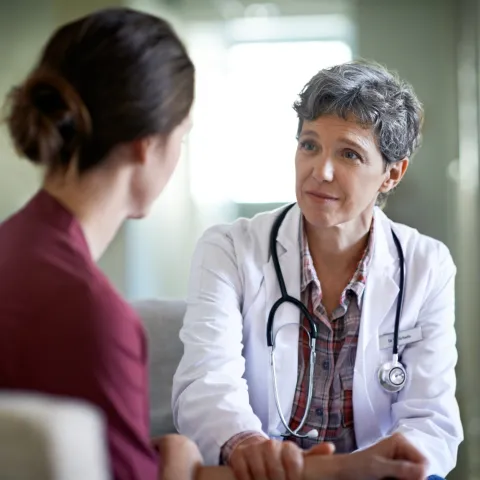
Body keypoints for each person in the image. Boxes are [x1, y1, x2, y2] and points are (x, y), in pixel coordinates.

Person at [0, 8, 429, 480]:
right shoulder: (93, 315)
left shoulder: (14, 251)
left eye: (348, 154)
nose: (321, 170)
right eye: (182, 137)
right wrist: (180, 464)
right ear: (149, 146)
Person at [172, 60, 463, 480]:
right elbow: (205, 385)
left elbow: (430, 419)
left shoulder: (426, 265)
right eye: (309, 145)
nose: (320, 171)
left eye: (349, 154)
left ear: (391, 174)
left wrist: (405, 464)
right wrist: (247, 445)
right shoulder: (230, 250)